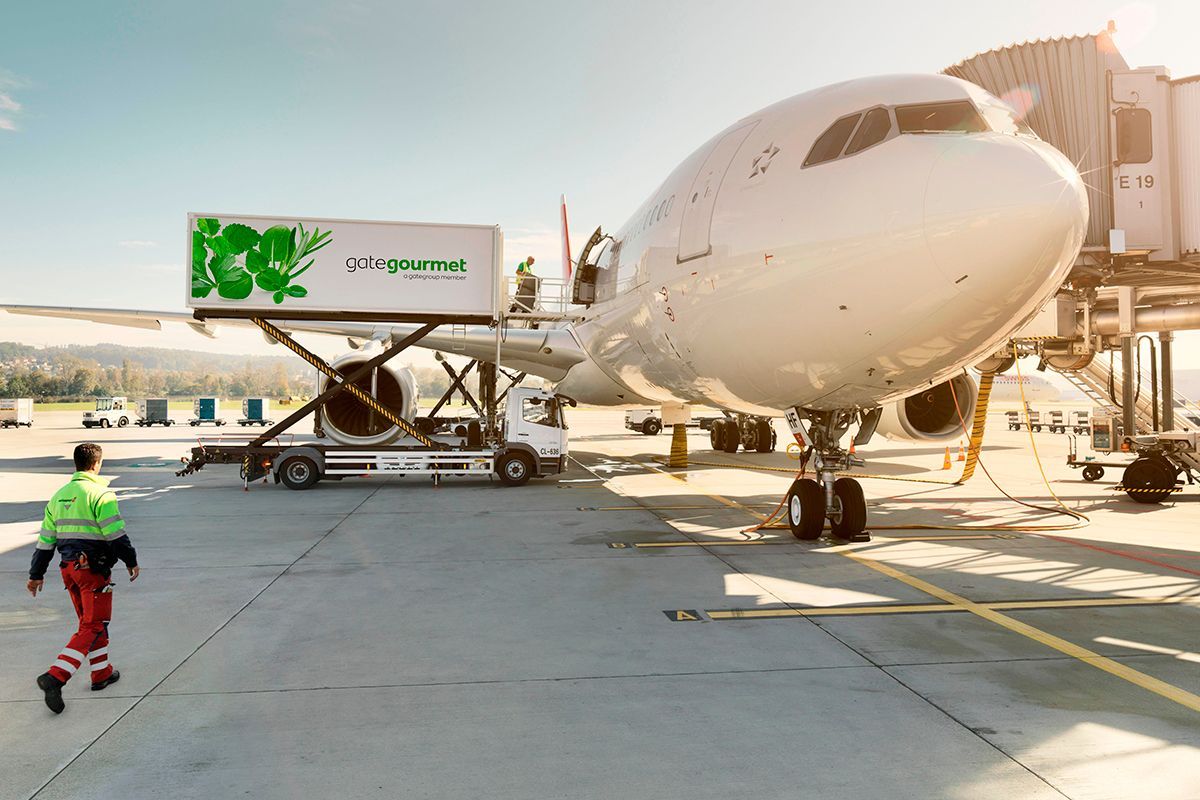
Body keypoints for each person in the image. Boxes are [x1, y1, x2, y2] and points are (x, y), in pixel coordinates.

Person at [28, 442, 139, 714]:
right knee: (92, 625)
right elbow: (115, 534)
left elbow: (45, 542)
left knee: (90, 623)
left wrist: (36, 574)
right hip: (92, 571)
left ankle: (101, 674)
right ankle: (55, 677)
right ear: (97, 464)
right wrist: (131, 560)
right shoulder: (101, 495)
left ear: (76, 464)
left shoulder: (58, 497)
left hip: (69, 570)